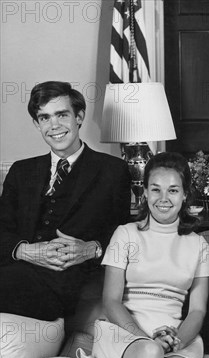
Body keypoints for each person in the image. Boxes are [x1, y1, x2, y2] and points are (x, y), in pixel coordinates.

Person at [76, 152, 209, 358]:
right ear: (145, 193)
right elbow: (111, 301)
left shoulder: (199, 245)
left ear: (184, 195)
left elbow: (197, 311)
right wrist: (145, 339)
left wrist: (174, 341)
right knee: (150, 351)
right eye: (155, 189)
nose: (163, 199)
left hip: (176, 335)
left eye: (172, 190)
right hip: (125, 333)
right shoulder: (125, 234)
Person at [0, 81, 130, 321]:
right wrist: (23, 250)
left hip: (66, 283)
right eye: (45, 118)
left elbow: (126, 234)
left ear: (79, 117)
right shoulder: (21, 171)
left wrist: (92, 248)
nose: (54, 126)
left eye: (61, 115)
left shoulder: (113, 170)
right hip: (16, 273)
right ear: (37, 124)